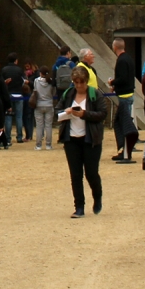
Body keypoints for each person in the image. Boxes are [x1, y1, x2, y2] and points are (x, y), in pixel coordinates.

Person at [58, 68, 109, 217]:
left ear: (86, 81)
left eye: (81, 82)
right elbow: (57, 110)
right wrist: (66, 112)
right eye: (76, 82)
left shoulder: (95, 94)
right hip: (71, 139)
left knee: (91, 173)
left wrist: (84, 114)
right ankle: (79, 206)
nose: (79, 85)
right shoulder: (68, 94)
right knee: (75, 174)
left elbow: (102, 114)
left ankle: (97, 196)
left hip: (91, 139)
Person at [109, 39, 138, 162]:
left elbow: (123, 78)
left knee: (124, 125)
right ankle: (125, 150)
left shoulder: (121, 60)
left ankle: (126, 152)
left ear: (115, 47)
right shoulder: (129, 59)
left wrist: (112, 82)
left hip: (124, 96)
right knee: (124, 123)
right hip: (128, 93)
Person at [2, 53, 27, 143]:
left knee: (8, 117)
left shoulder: (4, 70)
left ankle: (8, 138)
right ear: (16, 60)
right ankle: (19, 137)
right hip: (19, 95)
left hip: (8, 95)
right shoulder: (19, 70)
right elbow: (24, 81)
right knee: (19, 117)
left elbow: (1, 82)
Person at [31, 65, 55, 150]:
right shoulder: (51, 81)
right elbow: (53, 92)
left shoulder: (36, 81)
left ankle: (38, 145)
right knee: (48, 125)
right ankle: (48, 144)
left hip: (39, 104)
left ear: (40, 73)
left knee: (39, 126)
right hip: (49, 104)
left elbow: (35, 90)